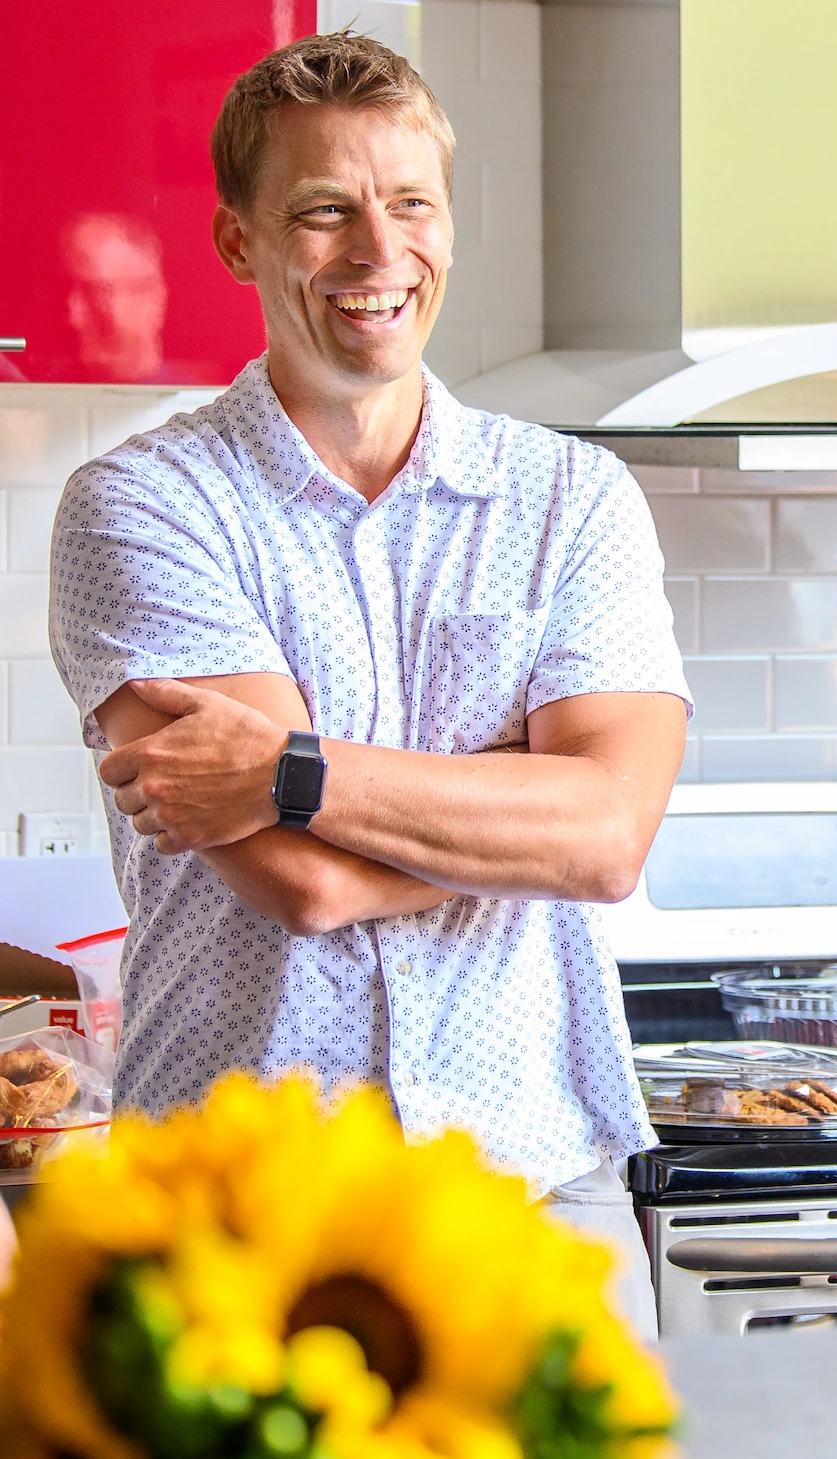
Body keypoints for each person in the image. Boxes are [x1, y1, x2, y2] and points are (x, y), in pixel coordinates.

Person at [45, 34, 690, 1333]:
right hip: (238, 1214)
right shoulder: (140, 506)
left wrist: (295, 773)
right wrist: (523, 806)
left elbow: (609, 839)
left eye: (410, 203)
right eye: (323, 209)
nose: (376, 250)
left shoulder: (570, 499)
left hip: (533, 1193)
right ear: (238, 242)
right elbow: (307, 881)